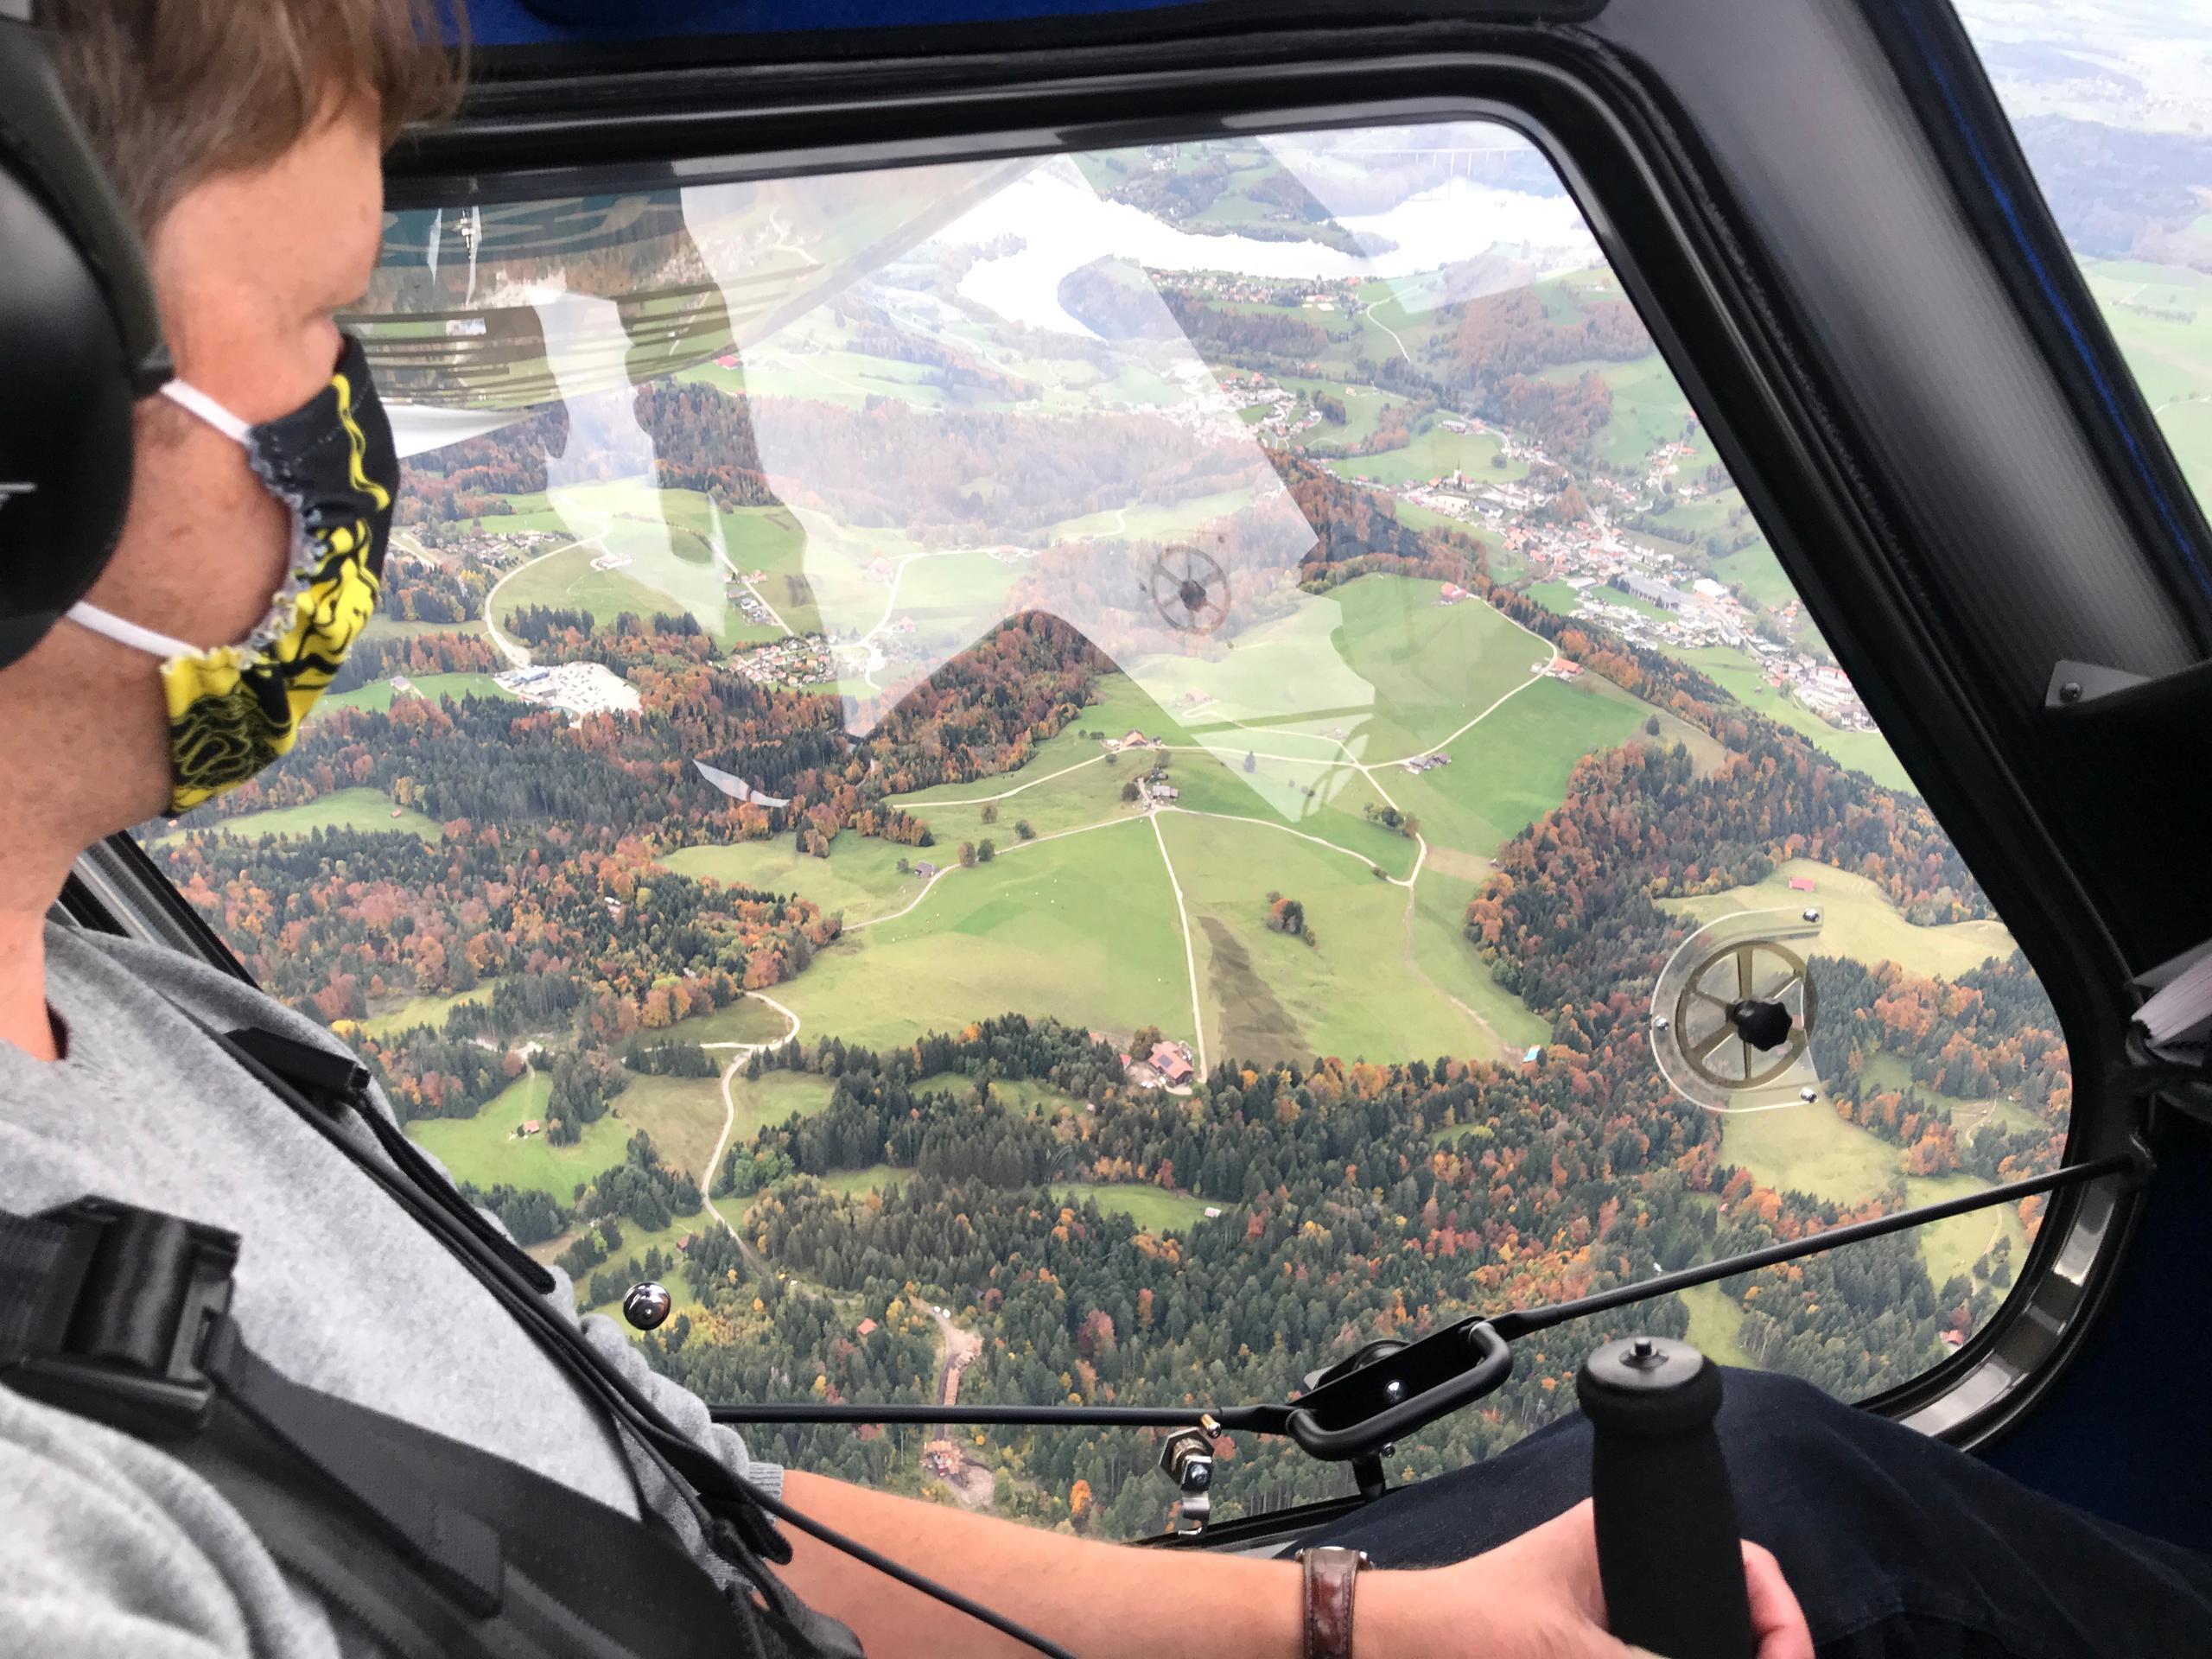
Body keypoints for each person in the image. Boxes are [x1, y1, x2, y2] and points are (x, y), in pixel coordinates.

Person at [0, 6, 2195, 1658]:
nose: (362, 443)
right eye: (307, 342)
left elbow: (703, 1522)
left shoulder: (111, 991)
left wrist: (1353, 1629)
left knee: (1772, 1472)